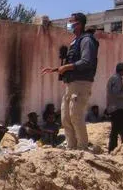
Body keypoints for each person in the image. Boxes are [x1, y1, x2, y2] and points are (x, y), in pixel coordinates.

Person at [41, 12, 98, 150]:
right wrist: (56, 69)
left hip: (81, 84)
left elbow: (86, 61)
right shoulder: (75, 41)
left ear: (79, 24)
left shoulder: (87, 40)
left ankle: (82, 148)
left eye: (71, 22)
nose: (69, 24)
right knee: (66, 118)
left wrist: (66, 67)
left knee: (76, 116)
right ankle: (71, 147)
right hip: (71, 84)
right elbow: (72, 63)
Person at [106, 62, 123, 153]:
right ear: (122, 70)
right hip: (118, 108)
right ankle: (115, 149)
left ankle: (115, 149)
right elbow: (116, 93)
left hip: (115, 108)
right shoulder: (116, 79)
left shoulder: (115, 78)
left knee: (119, 130)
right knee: (119, 130)